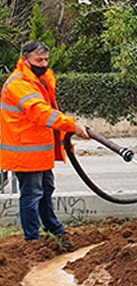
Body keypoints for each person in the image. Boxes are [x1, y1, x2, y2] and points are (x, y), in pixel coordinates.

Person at [0, 41, 89, 243]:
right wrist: (71, 126)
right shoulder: (18, 84)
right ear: (25, 60)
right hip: (24, 151)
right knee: (31, 195)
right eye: (38, 60)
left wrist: (64, 139)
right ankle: (32, 239)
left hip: (39, 149)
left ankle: (54, 228)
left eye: (46, 59)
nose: (44, 63)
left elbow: (51, 110)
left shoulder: (41, 79)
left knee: (46, 190)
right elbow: (41, 113)